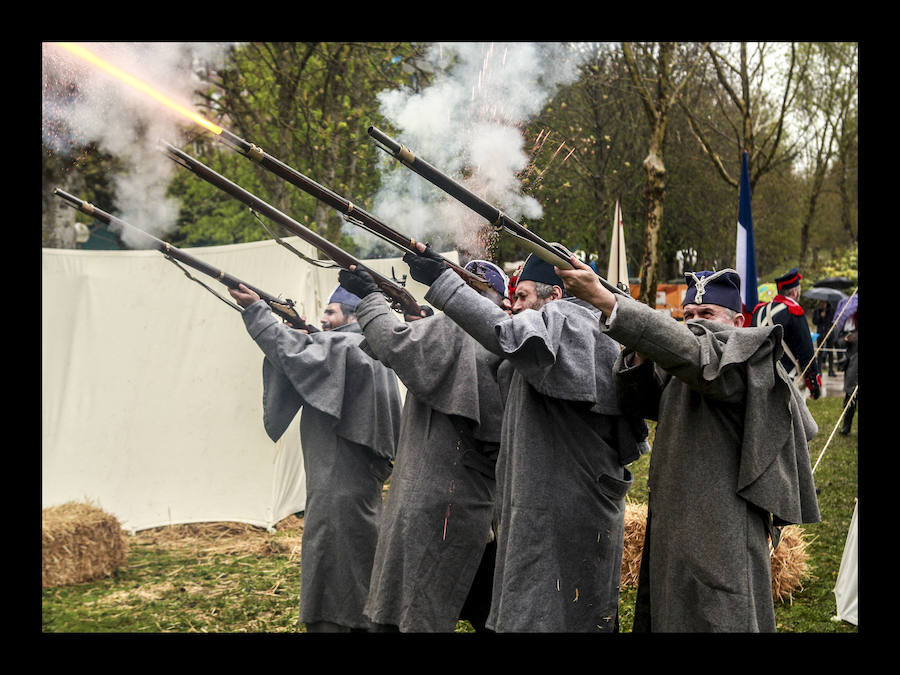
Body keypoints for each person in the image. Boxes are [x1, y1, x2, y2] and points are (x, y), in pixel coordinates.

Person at [555, 259, 821, 632]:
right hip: (674, 525)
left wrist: (605, 300)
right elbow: (640, 399)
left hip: (722, 532)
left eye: (708, 313)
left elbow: (695, 356)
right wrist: (643, 348)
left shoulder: (744, 361)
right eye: (689, 313)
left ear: (738, 322)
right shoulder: (688, 362)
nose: (695, 321)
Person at [401, 244, 647, 633]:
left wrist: (444, 281)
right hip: (548, 507)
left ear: (557, 295)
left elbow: (504, 333)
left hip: (566, 511)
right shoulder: (560, 330)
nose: (513, 306)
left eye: (522, 296)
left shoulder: (572, 322)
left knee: (564, 614)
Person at [337, 259, 510, 632]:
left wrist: (370, 297)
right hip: (467, 499)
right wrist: (418, 317)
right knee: (487, 611)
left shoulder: (467, 330)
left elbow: (396, 345)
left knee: (418, 613)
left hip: (440, 499)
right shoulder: (489, 335)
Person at [228, 282, 402, 633]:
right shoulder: (362, 347)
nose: (323, 319)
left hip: (338, 486)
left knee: (333, 562)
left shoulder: (350, 345)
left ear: (354, 317)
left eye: (330, 312)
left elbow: (295, 351)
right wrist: (305, 332)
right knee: (352, 562)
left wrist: (257, 311)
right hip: (351, 484)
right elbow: (315, 348)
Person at [751, 268, 822, 399]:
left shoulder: (758, 311)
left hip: (756, 378)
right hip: (785, 378)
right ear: (795, 292)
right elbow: (806, 352)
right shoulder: (794, 311)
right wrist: (813, 384)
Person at [839, 307, 858, 435]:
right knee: (850, 399)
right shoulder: (853, 330)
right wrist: (846, 340)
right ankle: (846, 426)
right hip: (853, 370)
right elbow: (839, 342)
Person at [813, 300, 837, 377]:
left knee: (830, 352)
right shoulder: (817, 311)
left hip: (829, 333)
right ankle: (819, 371)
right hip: (820, 333)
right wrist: (820, 316)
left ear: (827, 303)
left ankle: (831, 370)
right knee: (820, 352)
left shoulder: (831, 310)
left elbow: (832, 321)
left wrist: (826, 316)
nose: (822, 304)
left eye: (823, 303)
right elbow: (815, 321)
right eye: (821, 302)